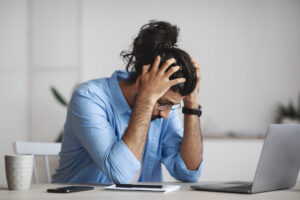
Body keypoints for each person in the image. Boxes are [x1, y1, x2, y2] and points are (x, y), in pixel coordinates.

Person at [52, 20, 203, 184]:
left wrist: (191, 105)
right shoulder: (89, 97)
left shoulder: (163, 107)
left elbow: (189, 173)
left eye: (172, 106)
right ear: (140, 83)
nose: (166, 114)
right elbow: (120, 174)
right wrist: (146, 100)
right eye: (163, 103)